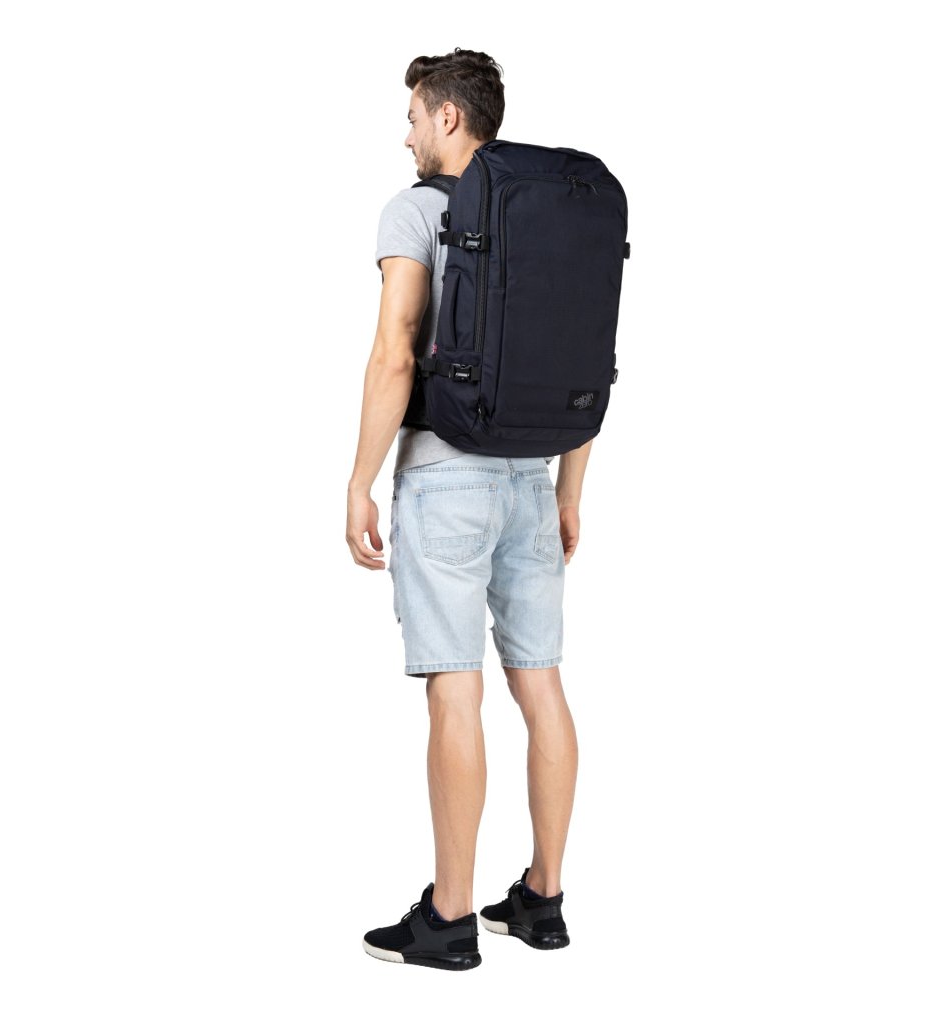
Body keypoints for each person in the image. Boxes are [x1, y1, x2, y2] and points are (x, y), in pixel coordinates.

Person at [346, 48, 593, 971]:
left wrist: (360, 480)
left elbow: (395, 352)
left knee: (456, 688)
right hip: (534, 473)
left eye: (415, 115)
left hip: (446, 474)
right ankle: (542, 900)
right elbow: (580, 356)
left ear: (450, 117)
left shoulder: (415, 209)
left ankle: (449, 918)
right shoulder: (548, 213)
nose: (406, 133)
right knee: (542, 684)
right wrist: (569, 490)